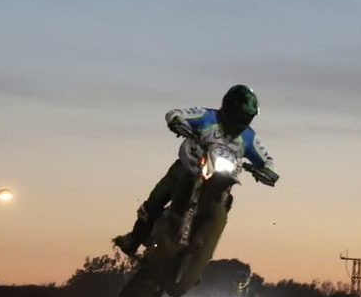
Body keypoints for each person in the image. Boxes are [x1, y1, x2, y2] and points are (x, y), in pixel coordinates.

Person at [112, 84, 279, 257]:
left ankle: (200, 258)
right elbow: (178, 113)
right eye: (240, 116)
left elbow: (267, 160)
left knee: (226, 203)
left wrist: (268, 171)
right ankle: (135, 238)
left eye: (247, 117)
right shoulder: (207, 116)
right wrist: (177, 121)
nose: (242, 121)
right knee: (157, 197)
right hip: (189, 167)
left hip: (222, 178)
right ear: (229, 107)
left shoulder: (249, 137)